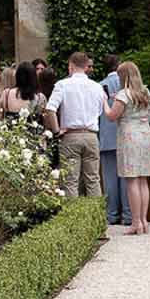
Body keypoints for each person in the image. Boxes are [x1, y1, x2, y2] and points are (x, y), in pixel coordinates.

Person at [42, 51, 105, 199]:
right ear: (86, 66)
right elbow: (100, 111)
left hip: (70, 135)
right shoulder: (97, 87)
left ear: (70, 66)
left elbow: (50, 109)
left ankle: (74, 218)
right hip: (91, 136)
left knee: (70, 181)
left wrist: (57, 131)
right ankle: (95, 218)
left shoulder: (63, 85)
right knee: (93, 179)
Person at [104, 61, 150, 233]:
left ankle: (135, 223)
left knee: (131, 180)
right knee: (143, 179)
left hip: (129, 136)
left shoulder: (123, 94)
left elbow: (112, 116)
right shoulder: (145, 92)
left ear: (123, 76)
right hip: (146, 135)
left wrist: (105, 102)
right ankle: (144, 221)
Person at [99, 53, 133, 230]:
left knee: (110, 178)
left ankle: (112, 215)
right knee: (127, 178)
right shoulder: (128, 85)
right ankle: (128, 214)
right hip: (125, 137)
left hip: (106, 136)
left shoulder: (100, 86)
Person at [0, 61, 46, 128]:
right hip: (32, 135)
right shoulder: (40, 97)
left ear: (17, 76)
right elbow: (44, 119)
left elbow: (0, 115)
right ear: (34, 77)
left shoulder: (7, 94)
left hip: (10, 135)